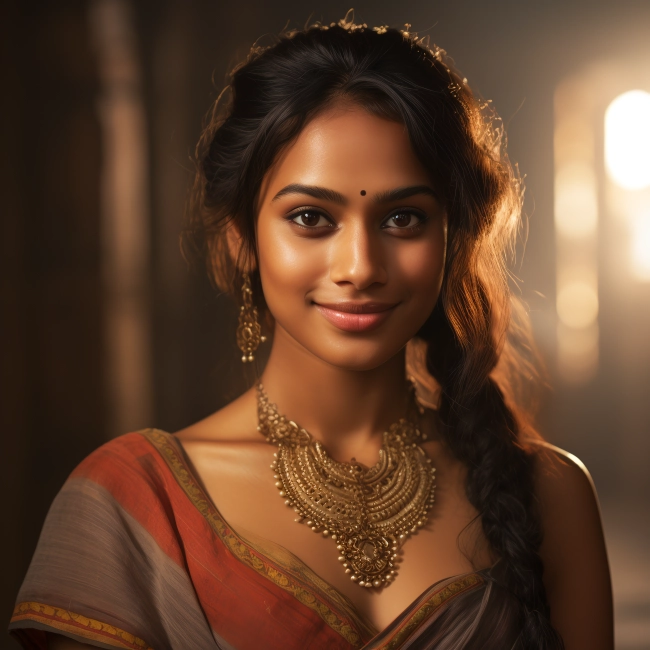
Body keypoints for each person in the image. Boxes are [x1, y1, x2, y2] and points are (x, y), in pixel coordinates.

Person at [9, 15, 613, 650]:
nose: (360, 267)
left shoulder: (549, 496)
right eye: (311, 217)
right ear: (241, 238)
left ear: (451, 240)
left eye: (403, 217)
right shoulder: (133, 504)